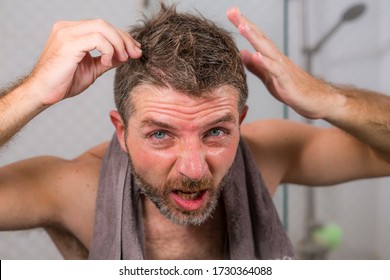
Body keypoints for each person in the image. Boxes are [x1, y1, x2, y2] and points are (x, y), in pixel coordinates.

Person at [0, 4, 389, 260]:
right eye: (160, 135)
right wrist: (33, 92)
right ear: (121, 131)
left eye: (216, 132)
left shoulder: (267, 153)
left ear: (240, 122)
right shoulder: (73, 188)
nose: (192, 169)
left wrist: (328, 99)